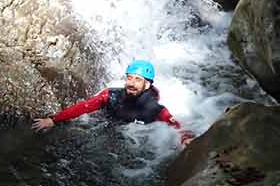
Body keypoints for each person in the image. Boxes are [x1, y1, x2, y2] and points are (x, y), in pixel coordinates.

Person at [32, 60, 194, 144]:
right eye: (129, 78)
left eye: (138, 80)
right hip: (107, 124)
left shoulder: (155, 109)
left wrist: (185, 138)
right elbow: (84, 107)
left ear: (147, 84)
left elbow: (175, 125)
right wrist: (54, 119)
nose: (131, 83)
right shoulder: (111, 95)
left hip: (137, 136)